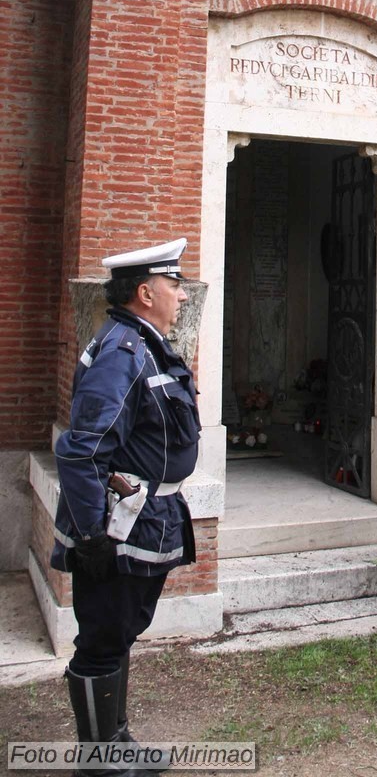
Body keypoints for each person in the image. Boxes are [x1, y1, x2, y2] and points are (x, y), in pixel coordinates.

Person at [51, 238, 201, 776]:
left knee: (118, 634)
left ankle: (115, 742)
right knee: (103, 638)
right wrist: (93, 533)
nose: (181, 295)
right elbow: (83, 448)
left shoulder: (146, 342)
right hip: (116, 527)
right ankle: (99, 762)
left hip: (144, 519)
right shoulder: (124, 352)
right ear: (145, 292)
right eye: (174, 284)